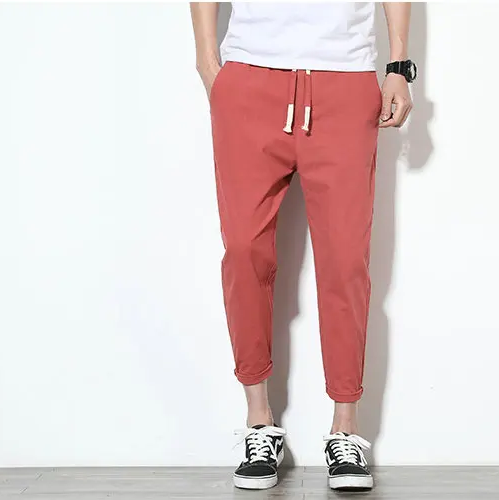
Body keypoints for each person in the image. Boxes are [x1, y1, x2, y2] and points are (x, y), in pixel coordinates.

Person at [190, 2, 416, 491]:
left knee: (345, 259)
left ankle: (346, 430)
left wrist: (398, 66)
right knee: (243, 250)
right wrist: (207, 62)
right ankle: (258, 422)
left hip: (345, 80)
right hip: (250, 77)